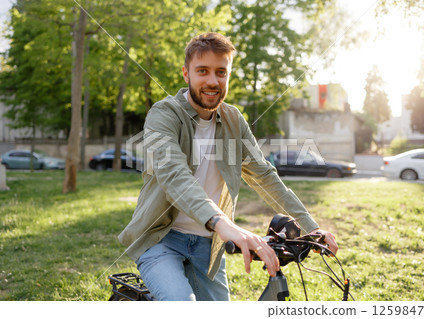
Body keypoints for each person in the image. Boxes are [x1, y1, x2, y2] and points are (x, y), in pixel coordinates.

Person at [118, 32, 338, 301]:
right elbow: (174, 175)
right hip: (161, 239)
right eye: (203, 71)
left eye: (221, 72)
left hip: (209, 245)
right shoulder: (163, 115)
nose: (213, 81)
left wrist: (310, 227)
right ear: (186, 74)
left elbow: (264, 176)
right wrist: (222, 223)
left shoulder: (233, 119)